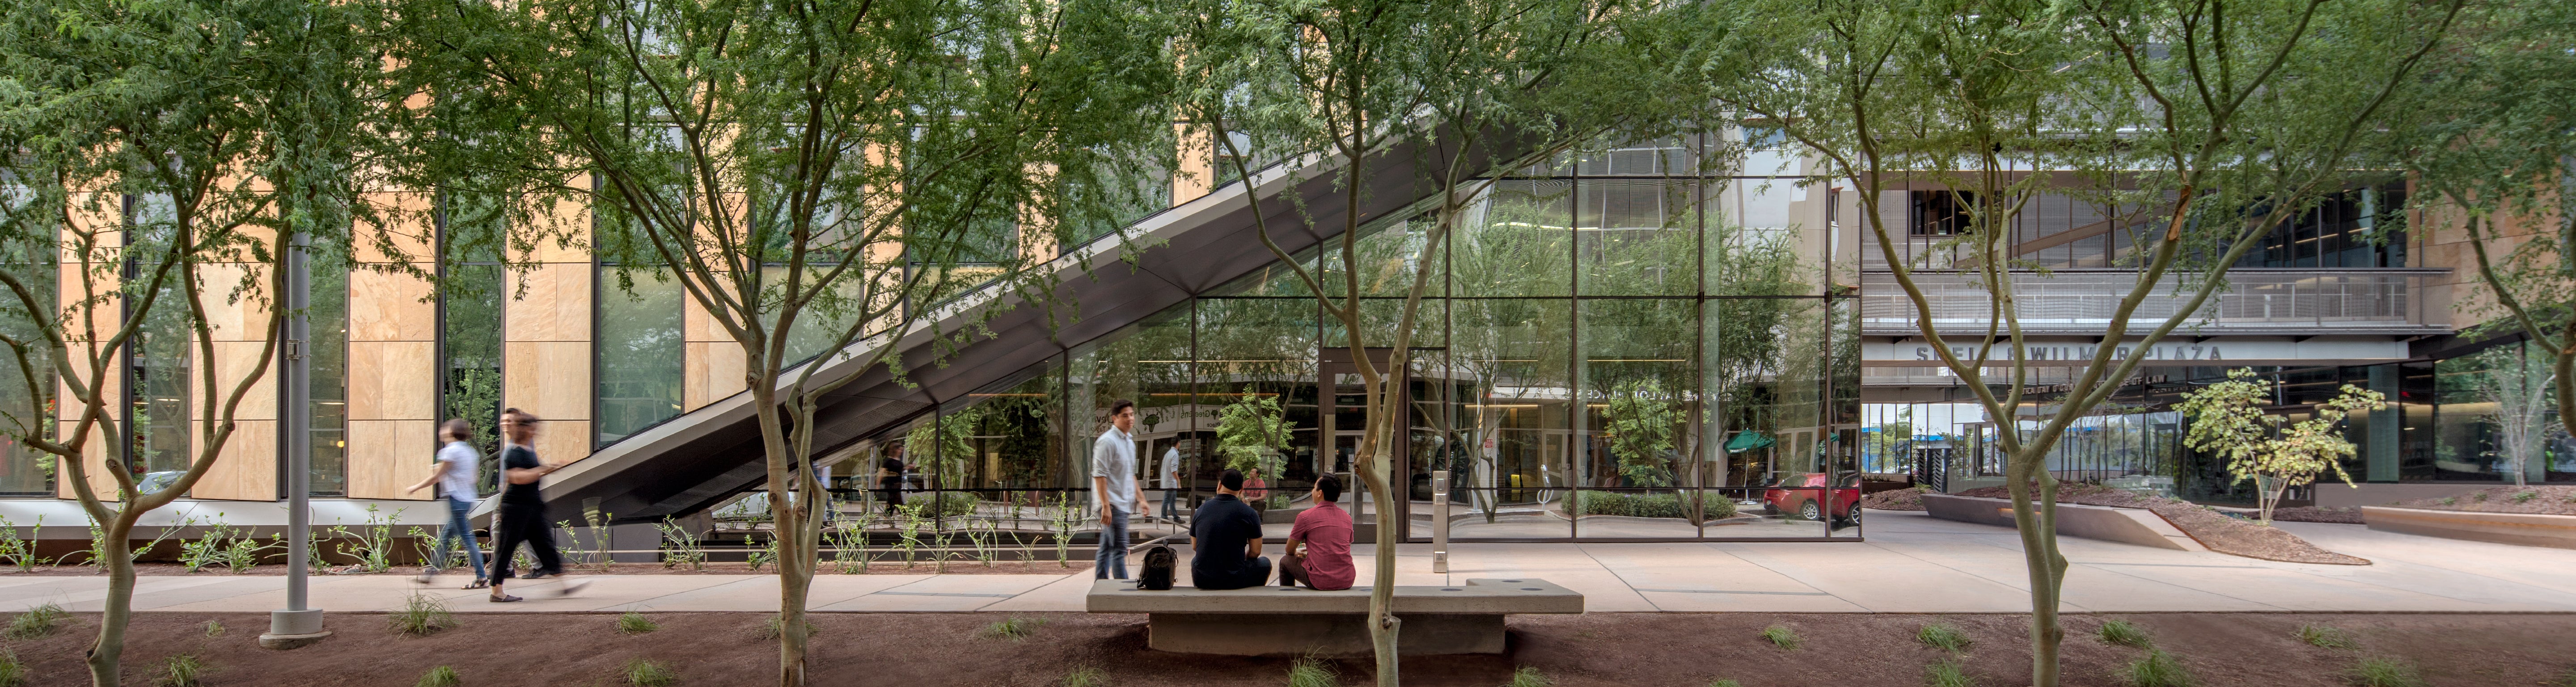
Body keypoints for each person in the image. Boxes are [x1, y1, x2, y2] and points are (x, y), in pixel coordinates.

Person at [487, 408, 568, 603]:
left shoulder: (527, 449)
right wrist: (545, 469)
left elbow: (532, 474)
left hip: (531, 508)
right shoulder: (513, 451)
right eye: (533, 429)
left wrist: (549, 468)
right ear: (524, 430)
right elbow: (517, 478)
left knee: (545, 545)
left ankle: (563, 585)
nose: (535, 432)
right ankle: (496, 592)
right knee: (505, 549)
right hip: (515, 509)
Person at [405, 419, 488, 588]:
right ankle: (431, 573)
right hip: (467, 499)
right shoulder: (470, 452)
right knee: (445, 538)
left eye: (445, 428)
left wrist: (415, 487)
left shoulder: (450, 451)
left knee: (467, 538)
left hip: (456, 499)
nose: (442, 431)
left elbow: (437, 477)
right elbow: (475, 478)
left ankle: (482, 578)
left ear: (452, 432)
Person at [1091, 399, 1146, 580]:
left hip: (1122, 504)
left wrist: (1142, 499)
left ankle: (1100, 586)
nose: (1130, 419)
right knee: (1119, 549)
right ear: (1114, 419)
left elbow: (1130, 474)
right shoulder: (1107, 442)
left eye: (1131, 414)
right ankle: (1124, 592)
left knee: (1107, 548)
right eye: (1125, 416)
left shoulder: (1129, 441)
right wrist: (1105, 506)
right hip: (1112, 505)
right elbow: (1100, 476)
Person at [1189, 468, 1270, 590]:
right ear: (1241, 489)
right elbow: (1256, 552)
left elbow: (1195, 547)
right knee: (1265, 563)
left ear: (1220, 485)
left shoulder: (1201, 509)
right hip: (1235, 580)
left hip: (1202, 579)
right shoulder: (1249, 513)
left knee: (1196, 560)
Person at [1278, 474, 1353, 590]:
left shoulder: (1305, 517)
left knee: (1285, 561)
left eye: (1314, 488)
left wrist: (1299, 553)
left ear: (1320, 493)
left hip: (1320, 581)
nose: (1312, 491)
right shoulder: (1347, 518)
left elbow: (1289, 550)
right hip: (1347, 579)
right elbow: (1340, 547)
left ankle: (1288, 599)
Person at [1157, 444, 1184, 522]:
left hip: (1169, 482)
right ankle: (1164, 518)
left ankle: (1175, 517)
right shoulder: (1174, 454)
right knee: (1168, 500)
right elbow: (1174, 470)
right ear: (1179, 443)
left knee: (1172, 500)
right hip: (1171, 482)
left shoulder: (1168, 454)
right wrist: (1179, 482)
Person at [877, 450, 906, 515]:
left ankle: (888, 516)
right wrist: (878, 485)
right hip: (891, 485)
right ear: (895, 450)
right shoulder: (889, 461)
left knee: (892, 501)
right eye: (900, 450)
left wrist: (908, 467)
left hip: (898, 485)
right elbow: (881, 473)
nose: (901, 452)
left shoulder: (898, 461)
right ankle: (904, 514)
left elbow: (900, 470)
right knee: (896, 500)